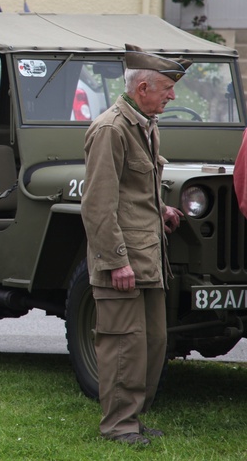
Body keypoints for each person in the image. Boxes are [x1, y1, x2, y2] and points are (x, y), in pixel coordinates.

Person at [80, 43, 186, 446]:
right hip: (123, 260)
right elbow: (98, 204)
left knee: (152, 343)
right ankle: (118, 426)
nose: (172, 96)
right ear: (143, 87)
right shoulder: (111, 129)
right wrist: (114, 262)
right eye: (166, 89)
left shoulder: (144, 123)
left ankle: (134, 418)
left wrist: (161, 209)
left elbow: (133, 187)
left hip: (147, 256)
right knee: (123, 344)